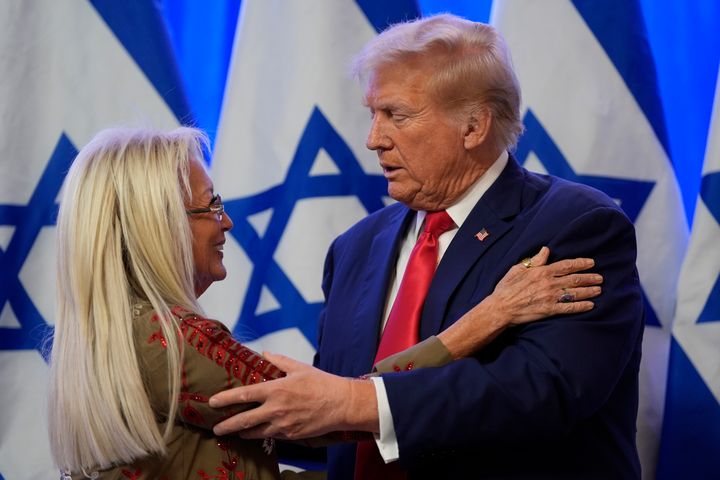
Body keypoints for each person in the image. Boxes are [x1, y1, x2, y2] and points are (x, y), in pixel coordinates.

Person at [209, 14, 644, 480]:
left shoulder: (575, 226)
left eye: (395, 115)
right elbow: (337, 429)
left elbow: (543, 388)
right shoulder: (354, 248)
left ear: (474, 126)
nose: (373, 139)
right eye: (372, 114)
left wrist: (353, 402)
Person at [47, 127, 600, 479]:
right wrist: (483, 321)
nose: (228, 222)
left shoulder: (119, 330)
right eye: (210, 207)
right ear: (156, 224)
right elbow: (326, 414)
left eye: (396, 115)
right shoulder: (175, 340)